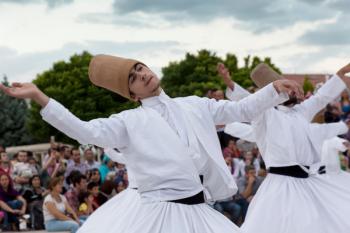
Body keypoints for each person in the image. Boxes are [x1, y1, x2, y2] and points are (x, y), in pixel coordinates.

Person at [0, 54, 301, 233]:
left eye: (140, 67)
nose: (142, 74)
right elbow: (85, 131)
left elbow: (241, 110)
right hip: (160, 216)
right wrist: (41, 97)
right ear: (131, 93)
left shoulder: (194, 105)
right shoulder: (129, 122)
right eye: (133, 77)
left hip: (199, 210)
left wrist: (274, 89)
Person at [218, 62, 350, 233]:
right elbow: (249, 103)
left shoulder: (300, 111)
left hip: (308, 182)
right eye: (288, 87)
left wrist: (339, 75)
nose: (294, 92)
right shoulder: (265, 114)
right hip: (281, 186)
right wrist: (231, 85)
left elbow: (321, 98)